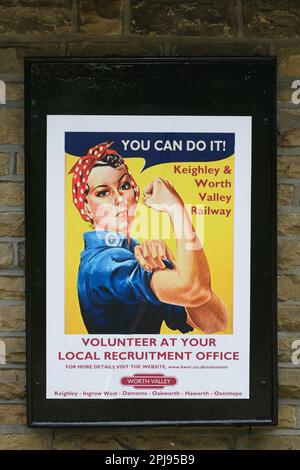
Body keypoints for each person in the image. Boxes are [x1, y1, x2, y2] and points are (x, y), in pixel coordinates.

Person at [68, 141, 228, 334]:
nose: (119, 199)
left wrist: (174, 267)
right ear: (85, 208)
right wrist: (176, 209)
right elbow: (195, 290)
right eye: (103, 193)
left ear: (135, 192)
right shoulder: (102, 263)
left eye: (124, 186)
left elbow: (216, 321)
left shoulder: (136, 254)